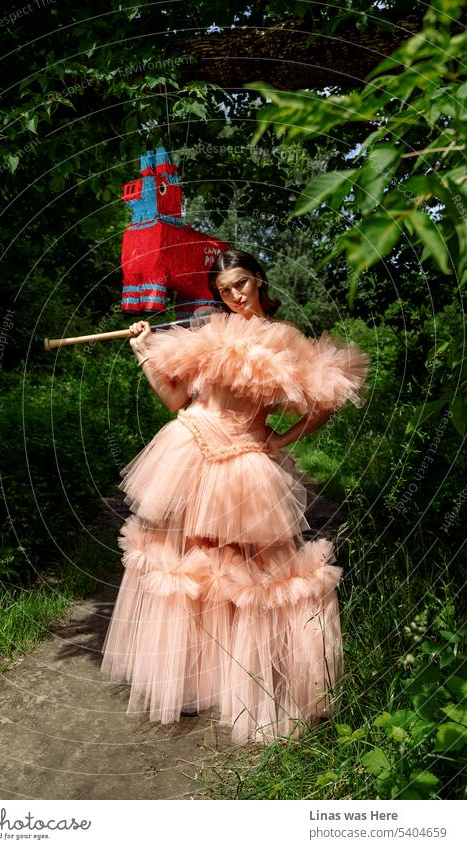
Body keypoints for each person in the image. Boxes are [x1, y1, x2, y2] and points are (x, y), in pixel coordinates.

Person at [100, 248, 370, 745]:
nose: (234, 295)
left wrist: (285, 439)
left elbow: (325, 396)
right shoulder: (211, 331)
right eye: (224, 289)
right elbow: (177, 399)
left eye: (241, 283)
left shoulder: (285, 337)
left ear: (260, 281)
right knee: (188, 565)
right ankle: (195, 677)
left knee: (249, 570)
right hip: (188, 446)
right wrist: (145, 352)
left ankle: (254, 681)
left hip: (244, 458)